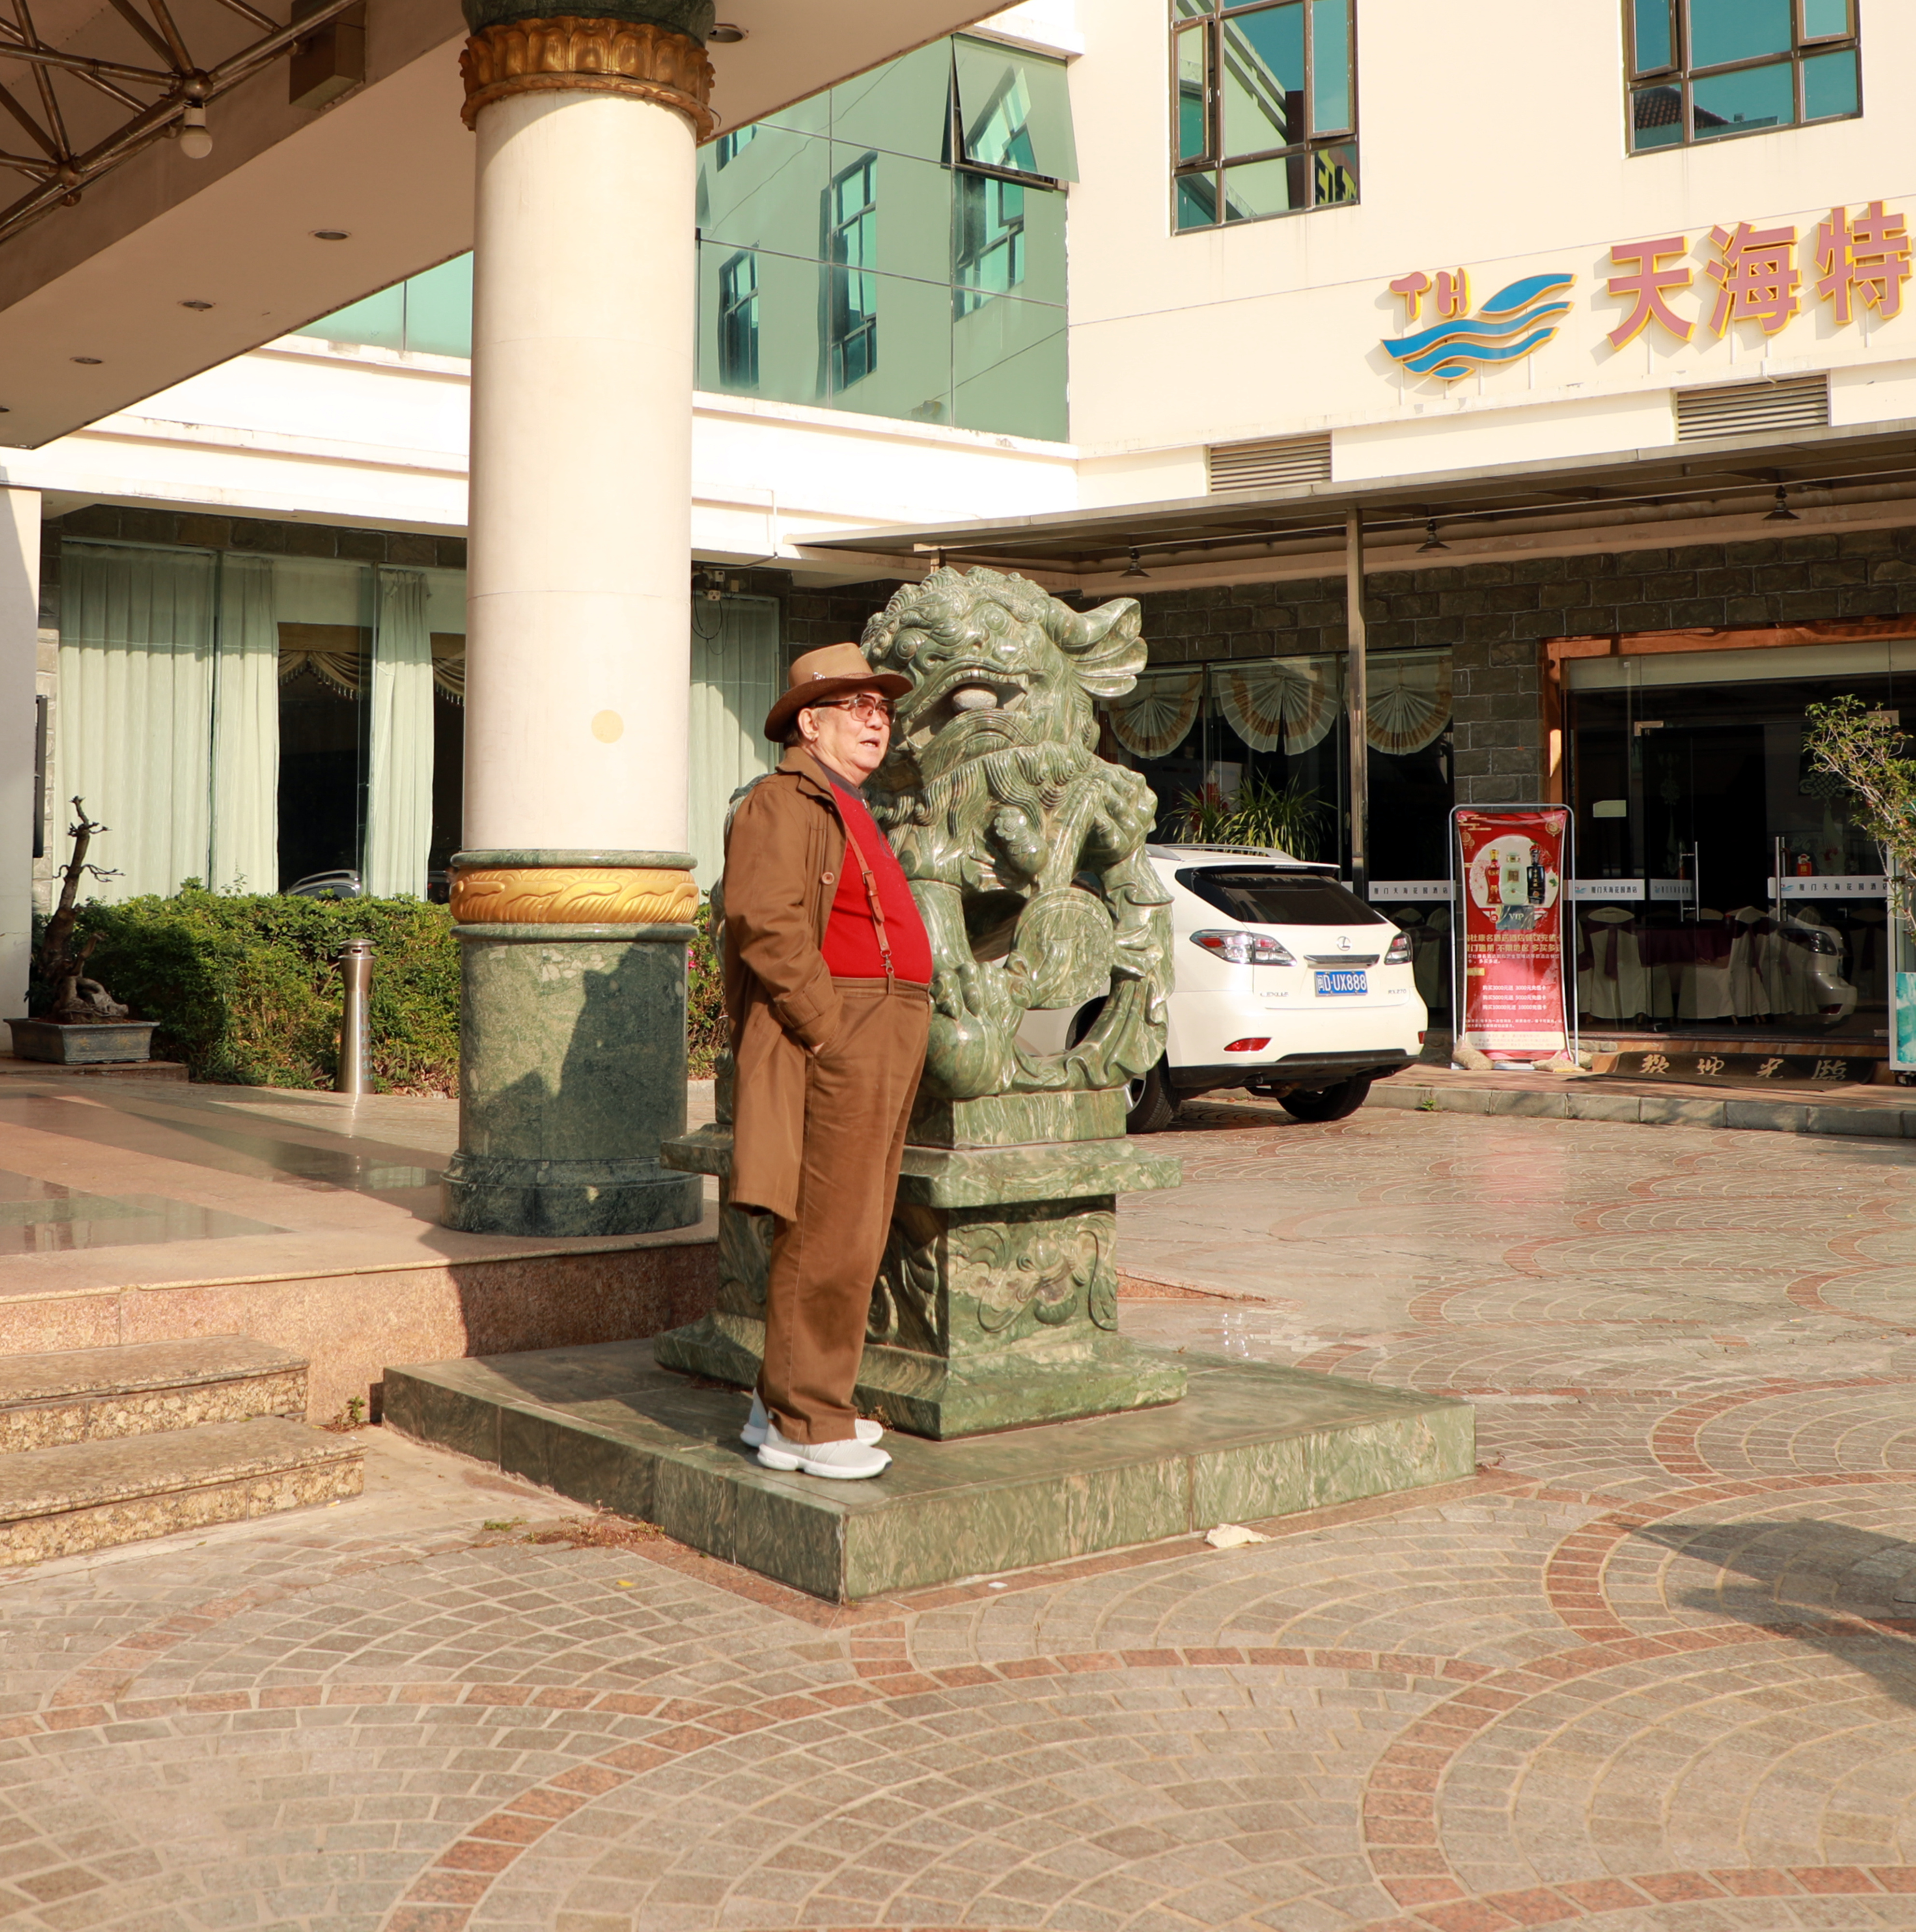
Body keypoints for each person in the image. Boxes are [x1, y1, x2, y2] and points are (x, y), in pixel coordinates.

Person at [719, 642, 935, 1479]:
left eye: (883, 710)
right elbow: (763, 920)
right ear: (810, 725)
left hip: (884, 1027)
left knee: (857, 1224)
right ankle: (807, 1420)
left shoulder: (847, 803)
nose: (878, 722)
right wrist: (828, 1026)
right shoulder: (783, 800)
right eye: (858, 707)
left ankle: (776, 1402)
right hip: (845, 1029)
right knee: (830, 1230)